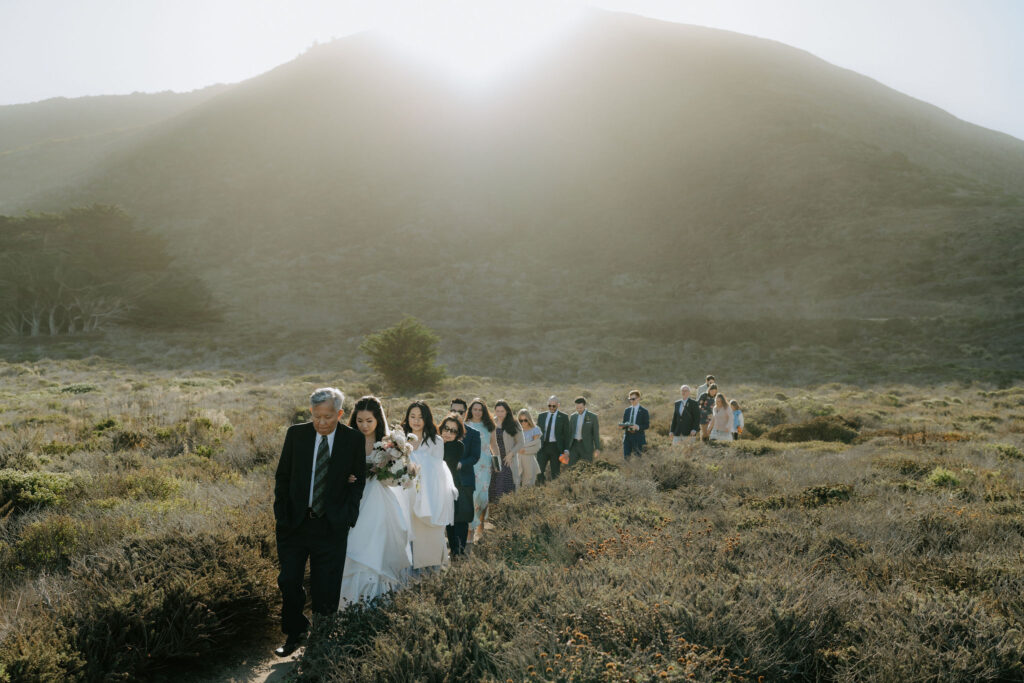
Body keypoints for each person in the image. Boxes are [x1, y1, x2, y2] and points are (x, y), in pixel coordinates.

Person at [273, 387, 364, 657]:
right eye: (316, 417)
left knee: (326, 585)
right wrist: (282, 514)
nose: (321, 423)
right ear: (310, 412)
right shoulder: (296, 434)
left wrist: (346, 516)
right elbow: (283, 477)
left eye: (327, 417)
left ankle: (322, 639)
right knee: (289, 580)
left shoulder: (353, 440)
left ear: (339, 413)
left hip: (331, 525)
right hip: (294, 523)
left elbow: (358, 481)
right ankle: (295, 632)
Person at [340, 396, 413, 606]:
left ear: (377, 420)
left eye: (368, 421)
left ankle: (378, 599)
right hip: (354, 499)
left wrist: (389, 470)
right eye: (360, 420)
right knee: (354, 544)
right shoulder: (347, 439)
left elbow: (395, 478)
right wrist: (346, 477)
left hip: (379, 499)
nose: (363, 425)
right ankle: (351, 602)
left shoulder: (389, 443)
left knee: (377, 545)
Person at [402, 401, 458, 570]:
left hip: (428, 495)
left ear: (426, 419)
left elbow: (436, 472)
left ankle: (428, 578)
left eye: (420, 417)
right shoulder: (401, 440)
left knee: (428, 538)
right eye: (412, 417)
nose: (416, 421)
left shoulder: (435, 441)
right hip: (405, 495)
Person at [438, 413, 476, 557]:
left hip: (455, 489)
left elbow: (444, 460)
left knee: (457, 523)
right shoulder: (436, 443)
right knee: (449, 524)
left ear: (458, 434)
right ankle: (455, 554)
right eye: (446, 428)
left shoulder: (457, 446)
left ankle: (458, 555)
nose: (448, 433)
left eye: (453, 431)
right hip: (442, 489)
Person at [446, 398, 480, 554]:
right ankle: (453, 550)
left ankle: (460, 552)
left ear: (466, 413)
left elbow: (475, 456)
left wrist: (462, 463)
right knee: (449, 518)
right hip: (447, 482)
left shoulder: (473, 434)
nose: (457, 414)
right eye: (454, 411)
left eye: (461, 411)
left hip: (465, 481)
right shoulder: (443, 432)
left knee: (463, 517)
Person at [465, 398, 495, 542]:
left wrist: (497, 461)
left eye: (480, 410)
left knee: (483, 496)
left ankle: (480, 527)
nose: (477, 412)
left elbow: (493, 445)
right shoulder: (465, 425)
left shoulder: (489, 426)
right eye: (474, 409)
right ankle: (470, 527)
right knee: (472, 495)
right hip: (472, 464)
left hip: (485, 464)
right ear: (470, 410)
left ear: (484, 411)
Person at [489, 400, 525, 503]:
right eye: (497, 411)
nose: (500, 414)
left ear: (507, 411)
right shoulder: (492, 422)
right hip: (495, 458)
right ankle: (494, 511)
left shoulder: (514, 423)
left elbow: (521, 442)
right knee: (494, 485)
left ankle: (506, 509)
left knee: (506, 485)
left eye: (502, 411)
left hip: (508, 460)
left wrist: (511, 454)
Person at [536, 396, 571, 483]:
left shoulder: (564, 417)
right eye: (549, 405)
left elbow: (567, 435)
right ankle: (541, 489)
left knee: (555, 472)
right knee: (539, 470)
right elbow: (537, 432)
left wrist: (566, 450)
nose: (551, 408)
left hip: (556, 447)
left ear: (558, 405)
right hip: (543, 447)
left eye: (554, 406)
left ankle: (553, 491)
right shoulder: (541, 416)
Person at [568, 397, 601, 466]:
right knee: (571, 466)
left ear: (585, 406)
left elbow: (595, 434)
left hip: (586, 446)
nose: (579, 409)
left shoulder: (593, 417)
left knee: (587, 466)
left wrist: (597, 448)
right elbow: (570, 432)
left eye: (580, 408)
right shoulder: (573, 416)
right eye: (577, 408)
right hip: (574, 445)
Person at [620, 390, 650, 460]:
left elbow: (647, 425)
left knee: (638, 459)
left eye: (633, 399)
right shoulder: (627, 410)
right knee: (626, 459)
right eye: (630, 399)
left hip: (638, 438)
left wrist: (638, 427)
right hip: (627, 437)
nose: (631, 401)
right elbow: (624, 422)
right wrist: (623, 425)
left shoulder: (644, 411)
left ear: (638, 398)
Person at [516, 410, 542, 487]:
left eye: (525, 420)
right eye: (521, 420)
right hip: (517, 458)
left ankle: (527, 497)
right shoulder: (516, 429)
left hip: (529, 458)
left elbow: (536, 446)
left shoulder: (535, 429)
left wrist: (525, 450)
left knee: (528, 481)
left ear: (529, 419)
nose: (523, 422)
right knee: (515, 481)